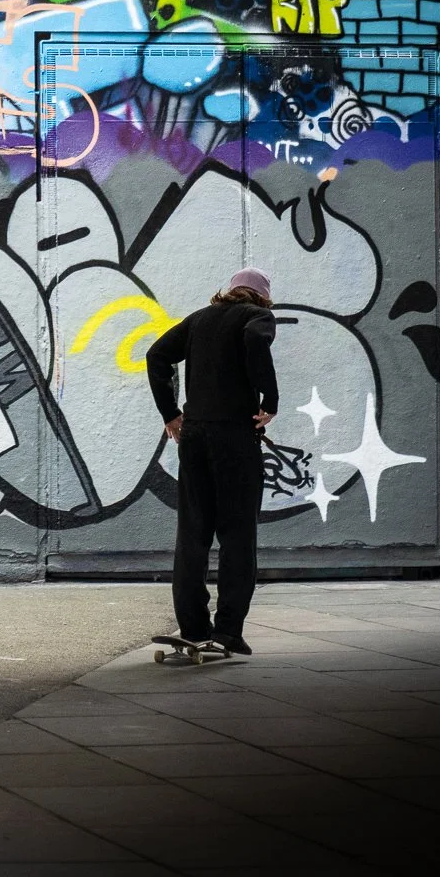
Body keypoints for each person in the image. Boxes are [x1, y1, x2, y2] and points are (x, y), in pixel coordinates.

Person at [144, 268, 279, 655]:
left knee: (193, 533)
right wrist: (269, 399)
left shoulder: (199, 319)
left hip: (195, 436)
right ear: (261, 296)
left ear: (230, 290)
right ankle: (228, 631)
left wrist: (170, 413)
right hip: (234, 437)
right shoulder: (257, 317)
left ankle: (192, 626)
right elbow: (255, 339)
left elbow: (156, 355)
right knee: (238, 535)